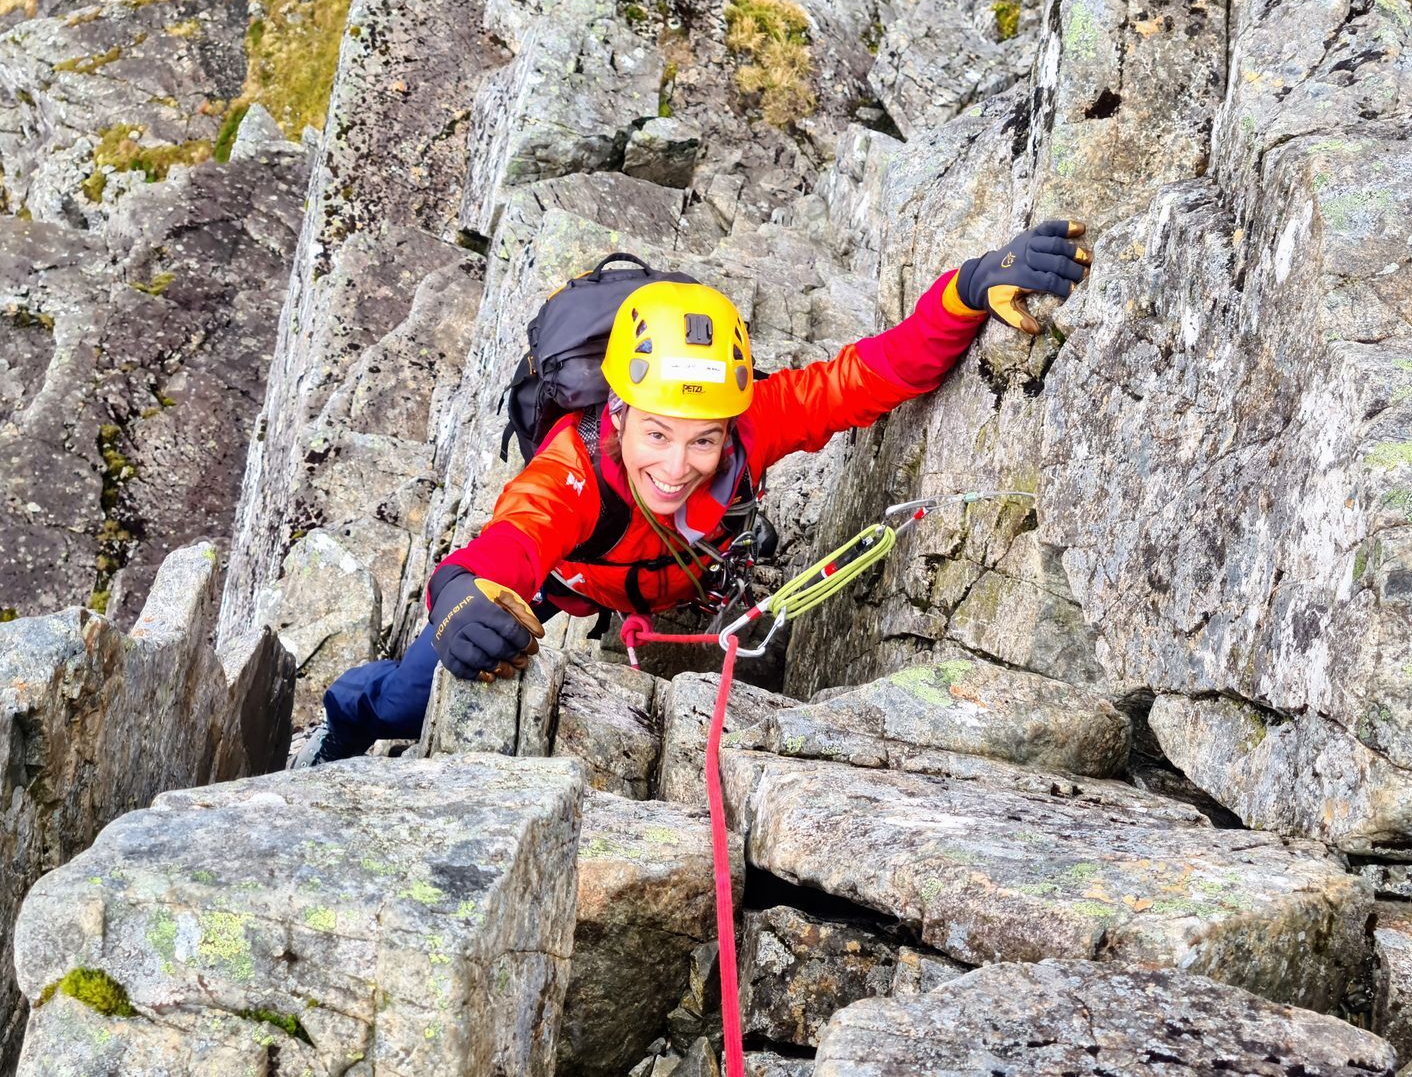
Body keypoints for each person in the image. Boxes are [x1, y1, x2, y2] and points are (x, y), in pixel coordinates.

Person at [297, 220, 1092, 764]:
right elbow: (511, 537)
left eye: (703, 438)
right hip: (568, 584)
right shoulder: (574, 466)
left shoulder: (753, 422)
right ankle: (342, 717)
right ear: (618, 412)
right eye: (657, 435)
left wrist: (967, 286)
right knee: (408, 700)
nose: (679, 466)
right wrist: (462, 595)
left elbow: (874, 375)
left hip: (677, 578)